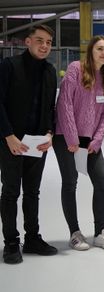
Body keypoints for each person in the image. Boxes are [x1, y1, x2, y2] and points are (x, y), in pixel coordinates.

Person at [0, 25, 57, 264]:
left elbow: (49, 108)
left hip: (37, 143)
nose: (44, 45)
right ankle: (11, 242)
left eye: (49, 42)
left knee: (33, 192)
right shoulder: (9, 66)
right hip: (12, 141)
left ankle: (32, 237)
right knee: (11, 192)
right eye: (40, 40)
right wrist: (8, 136)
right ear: (27, 42)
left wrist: (50, 134)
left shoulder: (50, 71)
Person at [53, 35, 104, 251]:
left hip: (90, 141)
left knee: (102, 181)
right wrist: (71, 138)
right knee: (70, 182)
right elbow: (65, 103)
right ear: (91, 50)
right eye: (100, 48)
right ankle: (75, 233)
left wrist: (97, 140)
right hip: (66, 138)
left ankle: (100, 232)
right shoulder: (75, 68)